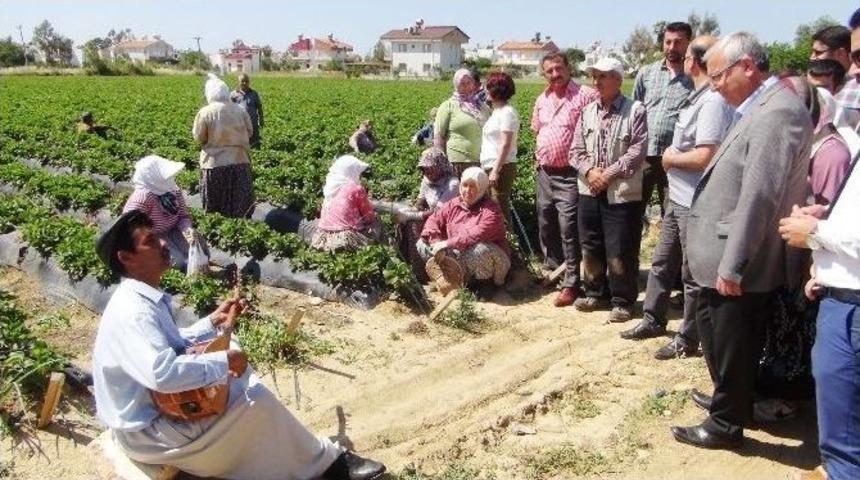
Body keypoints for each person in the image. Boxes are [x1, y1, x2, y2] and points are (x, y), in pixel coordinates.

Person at [92, 210, 386, 480]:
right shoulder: (135, 312)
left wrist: (213, 322)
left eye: (158, 236)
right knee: (254, 399)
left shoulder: (140, 298)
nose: (164, 244)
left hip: (155, 416)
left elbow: (172, 344)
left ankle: (298, 455)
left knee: (238, 372)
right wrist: (225, 362)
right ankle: (326, 464)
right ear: (126, 257)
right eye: (150, 241)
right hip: (149, 433)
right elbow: (162, 373)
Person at [672, 32, 813, 450]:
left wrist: (733, 264)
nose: (714, 85)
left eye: (719, 76)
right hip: (722, 248)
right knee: (720, 337)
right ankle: (731, 401)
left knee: (734, 341)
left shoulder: (777, 113)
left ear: (747, 67)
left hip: (739, 256)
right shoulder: (760, 107)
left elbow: (760, 195)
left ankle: (726, 424)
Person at [620, 36, 735, 359]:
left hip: (695, 200)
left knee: (690, 270)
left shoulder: (711, 103)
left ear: (691, 62)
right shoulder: (699, 98)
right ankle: (652, 319)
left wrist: (671, 158)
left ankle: (688, 338)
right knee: (662, 260)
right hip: (679, 197)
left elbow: (707, 156)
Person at [778, 139, 860, 480]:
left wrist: (818, 233)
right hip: (840, 295)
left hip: (852, 306)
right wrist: (828, 217)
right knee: (839, 411)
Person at [569, 57, 648, 323]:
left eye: (602, 76)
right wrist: (590, 172)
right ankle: (595, 292)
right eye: (594, 76)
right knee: (591, 244)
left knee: (620, 246)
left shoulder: (635, 110)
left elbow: (637, 151)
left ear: (617, 79)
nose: (596, 81)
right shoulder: (586, 112)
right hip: (589, 189)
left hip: (621, 192)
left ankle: (623, 301)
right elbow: (575, 151)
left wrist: (607, 175)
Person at [531, 52, 598, 307]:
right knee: (545, 222)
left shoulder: (585, 95)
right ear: (544, 74)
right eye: (549, 71)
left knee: (568, 227)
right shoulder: (542, 99)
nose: (555, 74)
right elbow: (538, 129)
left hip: (570, 174)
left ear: (569, 68)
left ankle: (572, 283)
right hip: (545, 172)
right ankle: (555, 270)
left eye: (559, 68)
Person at [418, 167, 511, 297]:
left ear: (482, 188)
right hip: (460, 254)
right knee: (422, 244)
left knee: (480, 250)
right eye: (465, 185)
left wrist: (447, 244)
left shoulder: (492, 211)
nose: (467, 190)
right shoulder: (453, 204)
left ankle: (485, 284)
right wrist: (436, 241)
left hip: (493, 259)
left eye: (473, 186)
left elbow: (475, 235)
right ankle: (452, 279)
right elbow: (433, 220)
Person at [633, 21, 694, 217]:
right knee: (633, 210)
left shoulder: (695, 77)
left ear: (688, 43)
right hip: (645, 154)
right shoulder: (646, 73)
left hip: (676, 158)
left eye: (678, 42)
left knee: (672, 214)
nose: (671, 47)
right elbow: (634, 110)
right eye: (668, 42)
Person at [122, 155, 205, 272]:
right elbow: (132, 230)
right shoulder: (142, 199)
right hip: (153, 237)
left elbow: (183, 215)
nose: (170, 180)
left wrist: (187, 230)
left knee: (198, 248)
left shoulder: (172, 190)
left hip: (173, 230)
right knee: (177, 262)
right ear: (152, 178)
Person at [390, 147, 459, 278]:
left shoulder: (452, 184)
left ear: (440, 167)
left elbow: (439, 211)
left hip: (448, 219)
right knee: (404, 224)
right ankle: (414, 267)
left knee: (414, 223)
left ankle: (426, 270)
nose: (427, 172)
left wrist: (413, 215)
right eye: (425, 169)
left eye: (431, 168)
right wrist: (409, 210)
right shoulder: (426, 180)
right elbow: (420, 202)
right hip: (431, 216)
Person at [193, 73, 255, 219]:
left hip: (215, 165)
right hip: (240, 163)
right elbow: (250, 132)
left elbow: (199, 137)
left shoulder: (205, 113)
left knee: (216, 212)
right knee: (241, 209)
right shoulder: (240, 110)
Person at [299, 155, 384, 252]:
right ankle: (386, 249)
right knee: (376, 222)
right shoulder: (356, 189)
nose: (359, 177)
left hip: (324, 236)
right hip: (347, 238)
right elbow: (369, 216)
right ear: (351, 172)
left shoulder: (330, 188)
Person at [433, 68, 490, 177]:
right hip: (456, 163)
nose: (466, 86)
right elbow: (439, 136)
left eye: (469, 83)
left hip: (481, 161)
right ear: (456, 85)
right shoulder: (448, 106)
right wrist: (441, 162)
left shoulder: (482, 106)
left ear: (473, 84)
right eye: (462, 84)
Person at [479, 71, 519, 224]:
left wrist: (495, 170)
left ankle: (508, 239)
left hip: (501, 167)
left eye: (488, 87)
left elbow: (505, 143)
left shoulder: (507, 113)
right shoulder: (497, 112)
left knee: (500, 211)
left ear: (496, 90)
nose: (485, 90)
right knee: (493, 212)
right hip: (492, 166)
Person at [230, 73, 264, 148]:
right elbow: (229, 109)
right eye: (242, 81)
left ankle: (256, 152)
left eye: (247, 81)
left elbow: (259, 107)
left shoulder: (254, 94)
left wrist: (261, 119)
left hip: (253, 123)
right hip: (239, 124)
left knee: (255, 144)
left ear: (249, 82)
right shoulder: (233, 95)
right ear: (239, 82)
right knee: (240, 145)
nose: (245, 83)